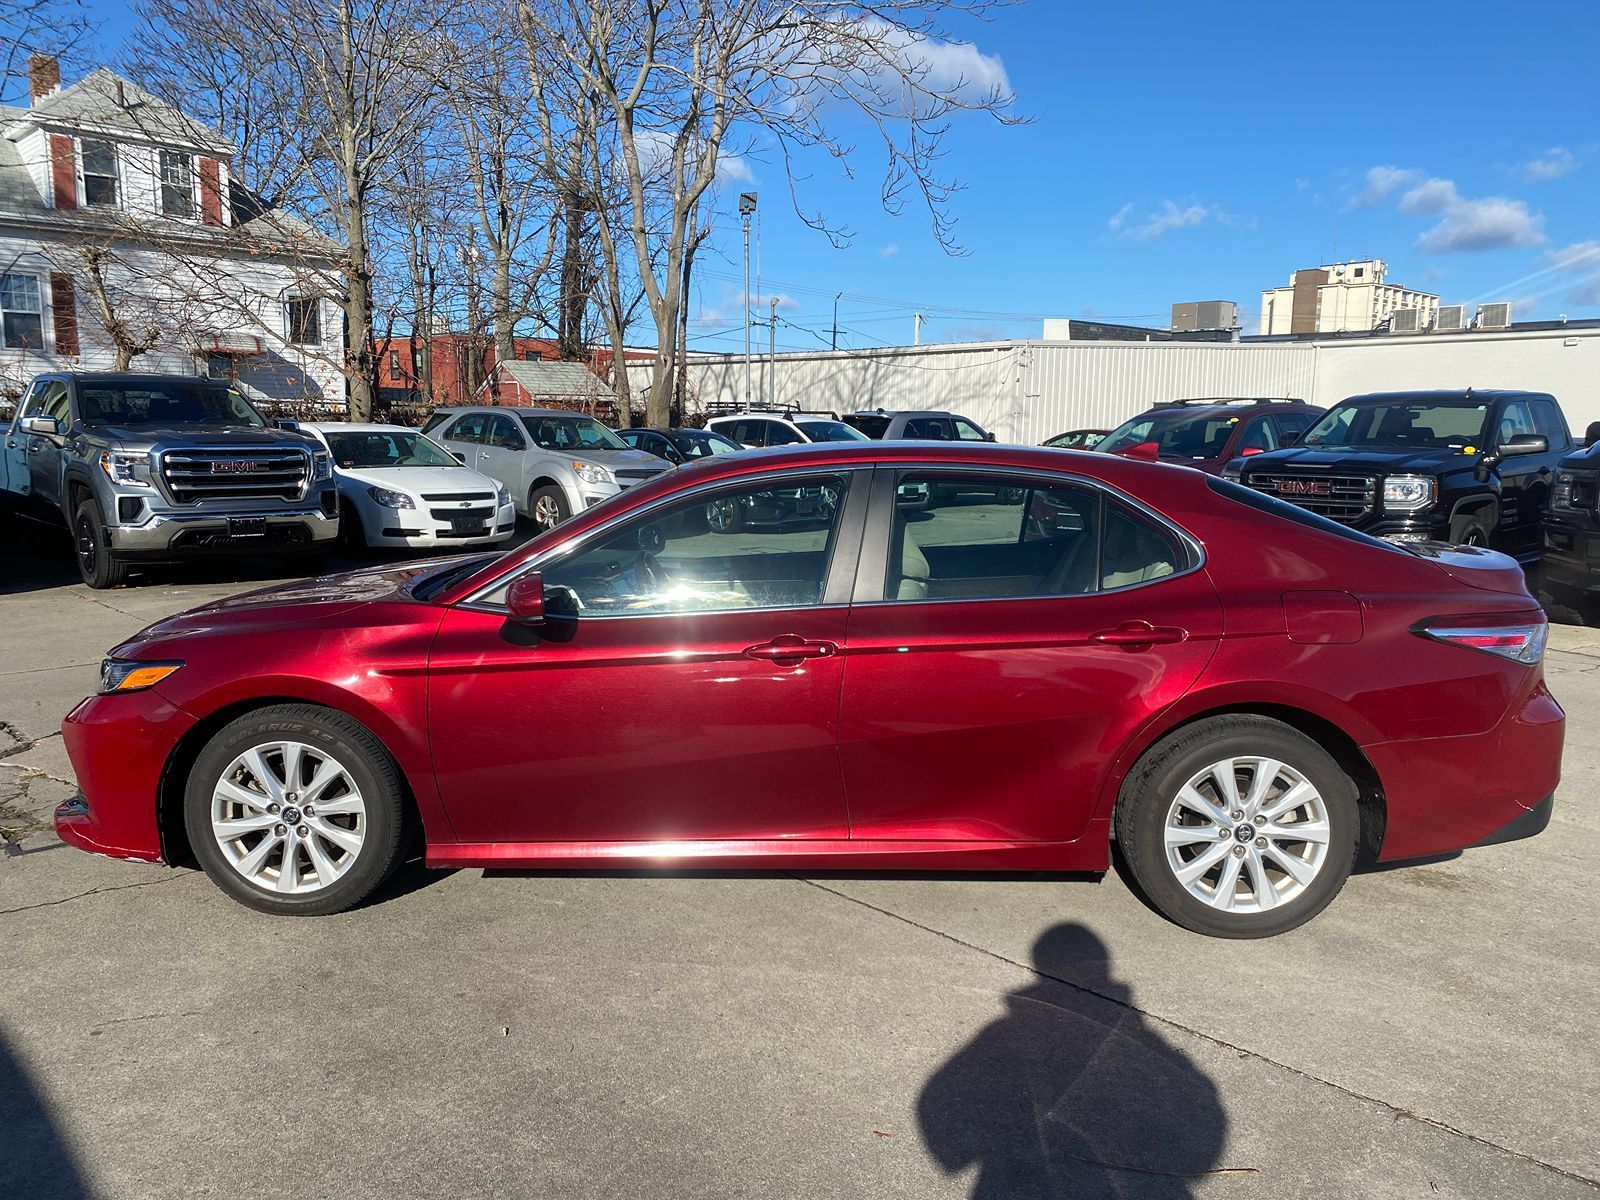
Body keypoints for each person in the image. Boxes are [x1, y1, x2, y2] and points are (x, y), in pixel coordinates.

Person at [918, 923, 1226, 1198]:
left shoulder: (1005, 1031)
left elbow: (939, 1094)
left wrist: (958, 1154)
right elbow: (1202, 1104)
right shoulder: (1140, 1038)